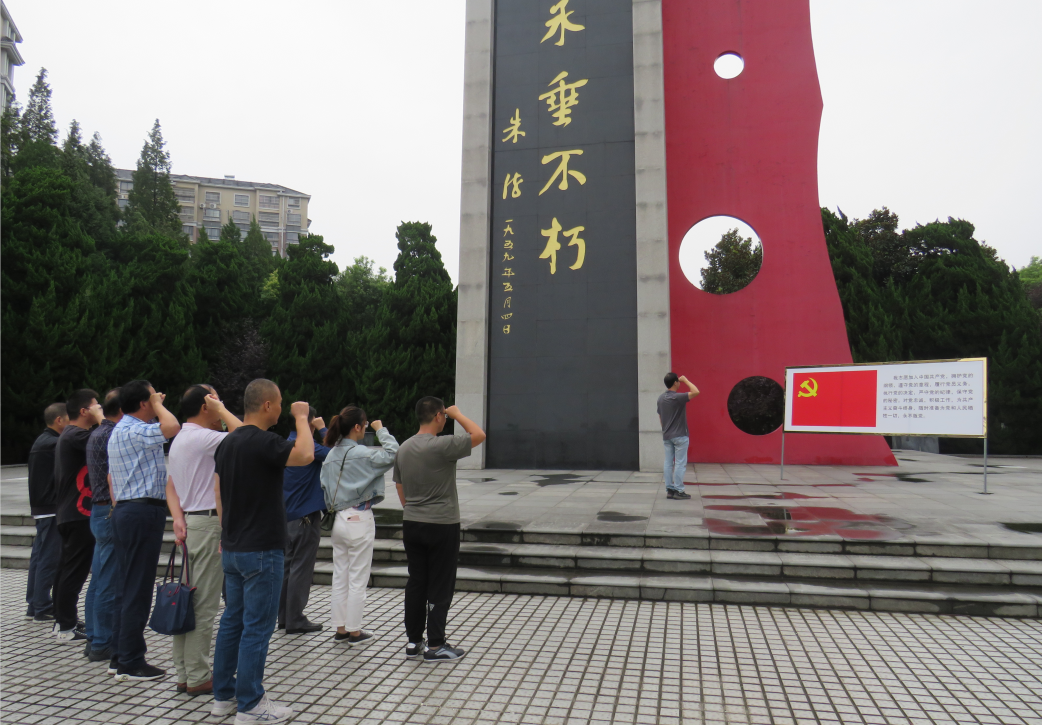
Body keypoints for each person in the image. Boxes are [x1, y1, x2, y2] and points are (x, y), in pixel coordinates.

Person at [210, 379, 314, 724]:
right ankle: (251, 703)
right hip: (262, 549)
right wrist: (302, 418)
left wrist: (227, 532)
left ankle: (223, 695)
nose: (283, 408)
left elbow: (218, 492)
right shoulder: (265, 442)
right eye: (281, 402)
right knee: (257, 626)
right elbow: (305, 455)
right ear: (268, 405)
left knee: (233, 621)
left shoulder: (228, 443)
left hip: (234, 547)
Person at [393, 397, 485, 663]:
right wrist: (458, 414)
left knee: (417, 581)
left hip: (412, 522)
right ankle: (435, 644)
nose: (445, 419)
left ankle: (413, 641)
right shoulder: (442, 445)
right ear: (437, 416)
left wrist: (412, 508)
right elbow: (479, 435)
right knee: (440, 584)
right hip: (442, 523)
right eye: (444, 415)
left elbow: (399, 485)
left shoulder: (404, 447)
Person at [166, 385, 243, 697]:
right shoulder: (203, 438)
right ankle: (198, 676)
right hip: (208, 524)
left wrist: (178, 517)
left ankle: (185, 673)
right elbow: (247, 436)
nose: (220, 404)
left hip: (191, 523)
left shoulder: (181, 439)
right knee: (204, 605)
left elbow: (171, 485)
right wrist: (223, 412)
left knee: (186, 602)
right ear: (205, 405)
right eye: (215, 399)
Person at [108, 380, 181, 682]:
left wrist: (155, 403)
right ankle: (131, 660)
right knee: (137, 588)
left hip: (127, 510)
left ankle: (119, 655)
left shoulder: (122, 429)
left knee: (126, 587)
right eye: (152, 397)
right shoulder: (135, 430)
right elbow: (173, 427)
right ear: (143, 403)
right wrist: (159, 404)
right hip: (140, 511)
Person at [320, 406, 399, 647]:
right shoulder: (362, 453)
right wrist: (381, 430)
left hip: (338, 519)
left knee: (340, 576)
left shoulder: (330, 455)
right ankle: (354, 631)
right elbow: (394, 453)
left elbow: (323, 486)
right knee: (357, 578)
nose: (366, 428)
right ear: (357, 427)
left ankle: (340, 629)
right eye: (365, 425)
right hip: (359, 517)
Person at [52, 389, 103, 643]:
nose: (101, 410)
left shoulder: (72, 435)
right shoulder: (77, 435)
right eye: (97, 406)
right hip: (78, 513)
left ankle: (64, 620)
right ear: (84, 411)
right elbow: (108, 439)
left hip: (71, 513)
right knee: (74, 572)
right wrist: (104, 420)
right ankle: (65, 627)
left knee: (66, 569)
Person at [278, 406, 330, 635]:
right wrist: (323, 429)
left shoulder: (284, 444)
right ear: (308, 423)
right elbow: (336, 455)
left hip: (286, 517)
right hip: (306, 517)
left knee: (287, 567)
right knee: (301, 568)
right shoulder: (309, 447)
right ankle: (295, 618)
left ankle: (284, 616)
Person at [82, 388, 122, 663]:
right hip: (108, 509)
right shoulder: (111, 434)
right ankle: (102, 642)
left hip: (99, 510)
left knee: (98, 578)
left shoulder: (98, 432)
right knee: (107, 581)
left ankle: (94, 637)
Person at [25, 402, 69, 624]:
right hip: (51, 508)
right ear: (59, 420)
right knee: (49, 558)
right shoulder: (54, 443)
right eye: (70, 418)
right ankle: (42, 606)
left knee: (40, 557)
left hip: (43, 507)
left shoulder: (43, 440)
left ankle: (35, 604)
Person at [657, 372, 700, 500]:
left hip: (667, 435)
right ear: (675, 382)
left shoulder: (661, 398)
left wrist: (665, 430)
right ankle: (679, 490)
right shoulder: (678, 397)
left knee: (668, 462)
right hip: (680, 435)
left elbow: (660, 417)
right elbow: (696, 391)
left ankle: (670, 489)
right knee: (680, 463)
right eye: (678, 381)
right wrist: (685, 380)